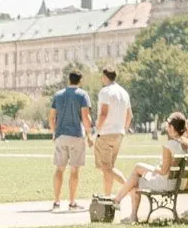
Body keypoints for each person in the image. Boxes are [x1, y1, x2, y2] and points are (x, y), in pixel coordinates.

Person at [114, 112, 188, 224]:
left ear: (172, 128)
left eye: (168, 125)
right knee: (137, 173)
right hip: (178, 183)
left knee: (136, 177)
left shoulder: (169, 145)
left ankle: (119, 203)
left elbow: (163, 171)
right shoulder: (186, 144)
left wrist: (152, 169)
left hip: (166, 184)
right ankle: (121, 205)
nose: (167, 128)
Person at [49, 70, 91, 212]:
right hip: (76, 136)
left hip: (61, 136)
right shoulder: (82, 95)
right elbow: (85, 117)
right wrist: (89, 134)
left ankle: (56, 202)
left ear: (69, 80)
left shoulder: (58, 95)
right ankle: (72, 203)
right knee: (74, 170)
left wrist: (55, 132)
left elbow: (51, 117)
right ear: (80, 80)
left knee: (59, 169)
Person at [94, 68, 132, 196]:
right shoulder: (124, 92)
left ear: (105, 76)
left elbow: (103, 113)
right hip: (119, 133)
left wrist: (97, 130)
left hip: (106, 132)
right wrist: (124, 130)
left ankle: (130, 188)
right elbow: (129, 115)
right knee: (109, 168)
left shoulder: (105, 92)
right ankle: (107, 196)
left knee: (106, 167)